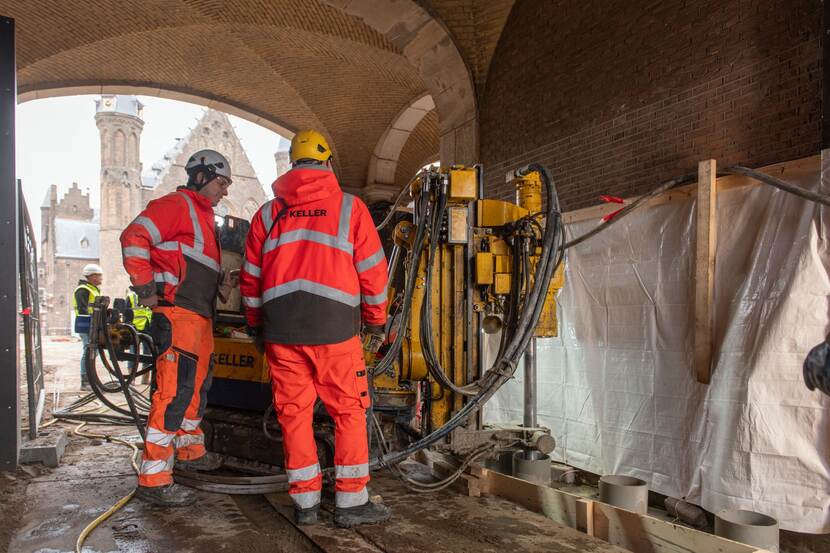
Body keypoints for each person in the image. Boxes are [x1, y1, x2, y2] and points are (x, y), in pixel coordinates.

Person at [240, 129, 390, 528]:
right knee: (349, 413)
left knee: (294, 415)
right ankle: (351, 502)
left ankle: (305, 504)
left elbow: (250, 279)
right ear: (326, 163)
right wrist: (376, 319)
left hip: (282, 333)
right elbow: (374, 272)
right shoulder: (349, 208)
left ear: (292, 165)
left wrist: (257, 326)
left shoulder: (268, 214)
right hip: (335, 330)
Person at [120, 149, 238, 506]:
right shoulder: (176, 206)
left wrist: (223, 283)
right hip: (176, 315)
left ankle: (189, 453)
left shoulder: (204, 219)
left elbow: (192, 266)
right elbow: (133, 237)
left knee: (197, 389)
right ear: (201, 176)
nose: (225, 192)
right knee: (173, 393)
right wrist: (145, 289)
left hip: (199, 317)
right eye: (221, 183)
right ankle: (153, 478)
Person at [72, 263, 103, 390]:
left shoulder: (93, 289)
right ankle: (85, 382)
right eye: (99, 275)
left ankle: (90, 379)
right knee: (88, 351)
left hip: (92, 324)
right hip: (86, 324)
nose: (101, 278)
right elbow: (83, 309)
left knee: (93, 352)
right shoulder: (83, 289)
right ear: (91, 276)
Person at [126, 290, 153, 376]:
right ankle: (131, 377)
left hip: (147, 327)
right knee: (133, 353)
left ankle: (145, 377)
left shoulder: (151, 295)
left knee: (147, 353)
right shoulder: (131, 296)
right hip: (134, 328)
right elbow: (127, 313)